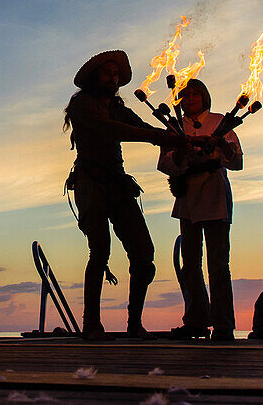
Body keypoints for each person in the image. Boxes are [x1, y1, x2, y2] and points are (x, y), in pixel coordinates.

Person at [63, 50, 181, 341]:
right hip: (91, 183)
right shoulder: (81, 105)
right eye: (108, 73)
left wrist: (178, 138)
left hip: (117, 183)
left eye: (116, 74)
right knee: (100, 251)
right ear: (95, 76)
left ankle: (134, 324)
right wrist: (159, 137)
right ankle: (91, 325)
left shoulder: (117, 106)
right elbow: (113, 129)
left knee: (144, 255)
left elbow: (139, 127)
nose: (113, 78)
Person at [157, 79, 243, 341]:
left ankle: (223, 325)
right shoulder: (174, 126)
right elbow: (166, 163)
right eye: (187, 94)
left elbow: (237, 161)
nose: (191, 98)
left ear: (205, 97)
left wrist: (223, 146)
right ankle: (195, 321)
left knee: (218, 263)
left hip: (215, 193)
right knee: (190, 263)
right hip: (188, 195)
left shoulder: (220, 122)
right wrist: (182, 153)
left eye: (196, 93)